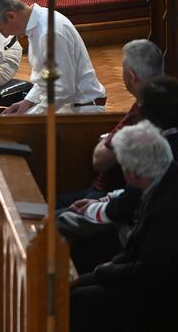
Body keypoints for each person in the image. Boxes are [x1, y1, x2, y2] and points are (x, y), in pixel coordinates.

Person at [70, 121, 178, 332]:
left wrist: (104, 271)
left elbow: (147, 273)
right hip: (142, 275)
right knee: (70, 285)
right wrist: (108, 268)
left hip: (158, 298)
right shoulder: (165, 175)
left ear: (132, 175)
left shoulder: (167, 211)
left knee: (73, 300)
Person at [59, 40, 163, 208]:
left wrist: (108, 139)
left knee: (49, 212)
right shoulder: (160, 102)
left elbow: (99, 160)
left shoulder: (142, 114)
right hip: (122, 195)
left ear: (131, 76)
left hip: (109, 196)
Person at [0, 0, 106, 114]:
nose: (5, 35)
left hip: (81, 111)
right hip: (68, 105)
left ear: (11, 16)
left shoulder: (49, 34)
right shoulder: (39, 23)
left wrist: (32, 118)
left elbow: (61, 89)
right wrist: (28, 101)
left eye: (1, 29)